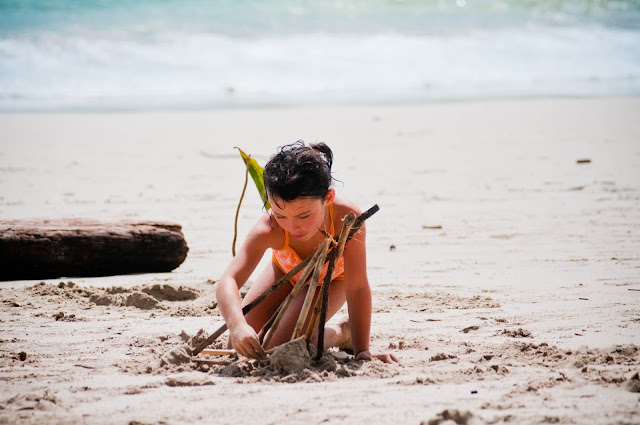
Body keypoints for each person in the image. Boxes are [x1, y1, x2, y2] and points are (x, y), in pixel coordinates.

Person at [216, 141, 398, 364]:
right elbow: (228, 280)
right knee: (240, 347)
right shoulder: (269, 229)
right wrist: (237, 326)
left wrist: (363, 351)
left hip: (332, 280)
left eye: (303, 216)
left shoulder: (347, 218)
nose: (293, 227)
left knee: (278, 348)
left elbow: (357, 287)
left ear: (328, 198)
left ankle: (342, 333)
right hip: (285, 272)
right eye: (281, 216)